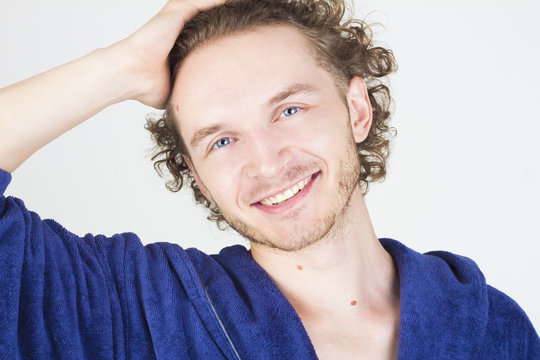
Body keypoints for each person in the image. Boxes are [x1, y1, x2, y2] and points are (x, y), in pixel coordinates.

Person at [0, 0, 538, 359]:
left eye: (288, 111)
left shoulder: (493, 331)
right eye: (222, 140)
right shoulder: (137, 307)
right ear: (200, 178)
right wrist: (121, 67)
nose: (266, 162)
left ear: (356, 110)